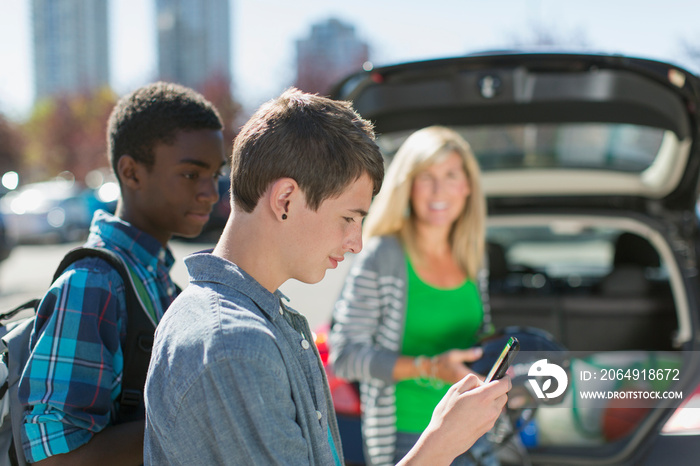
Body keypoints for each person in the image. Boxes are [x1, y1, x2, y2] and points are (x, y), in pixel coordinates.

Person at [144, 90, 510, 465]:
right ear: (285, 199)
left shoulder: (265, 317)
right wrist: (441, 444)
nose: (356, 243)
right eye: (349, 218)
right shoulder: (235, 345)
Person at [18, 81, 226, 465]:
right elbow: (55, 459)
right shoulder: (93, 282)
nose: (211, 193)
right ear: (131, 172)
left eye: (215, 174)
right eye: (191, 174)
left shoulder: (155, 275)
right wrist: (204, 421)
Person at [330, 126, 497, 466]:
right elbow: (344, 356)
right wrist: (432, 368)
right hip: (409, 439)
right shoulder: (383, 256)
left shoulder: (472, 255)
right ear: (407, 186)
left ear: (466, 186)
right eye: (426, 177)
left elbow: (480, 338)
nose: (439, 189)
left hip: (476, 432)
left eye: (450, 175)